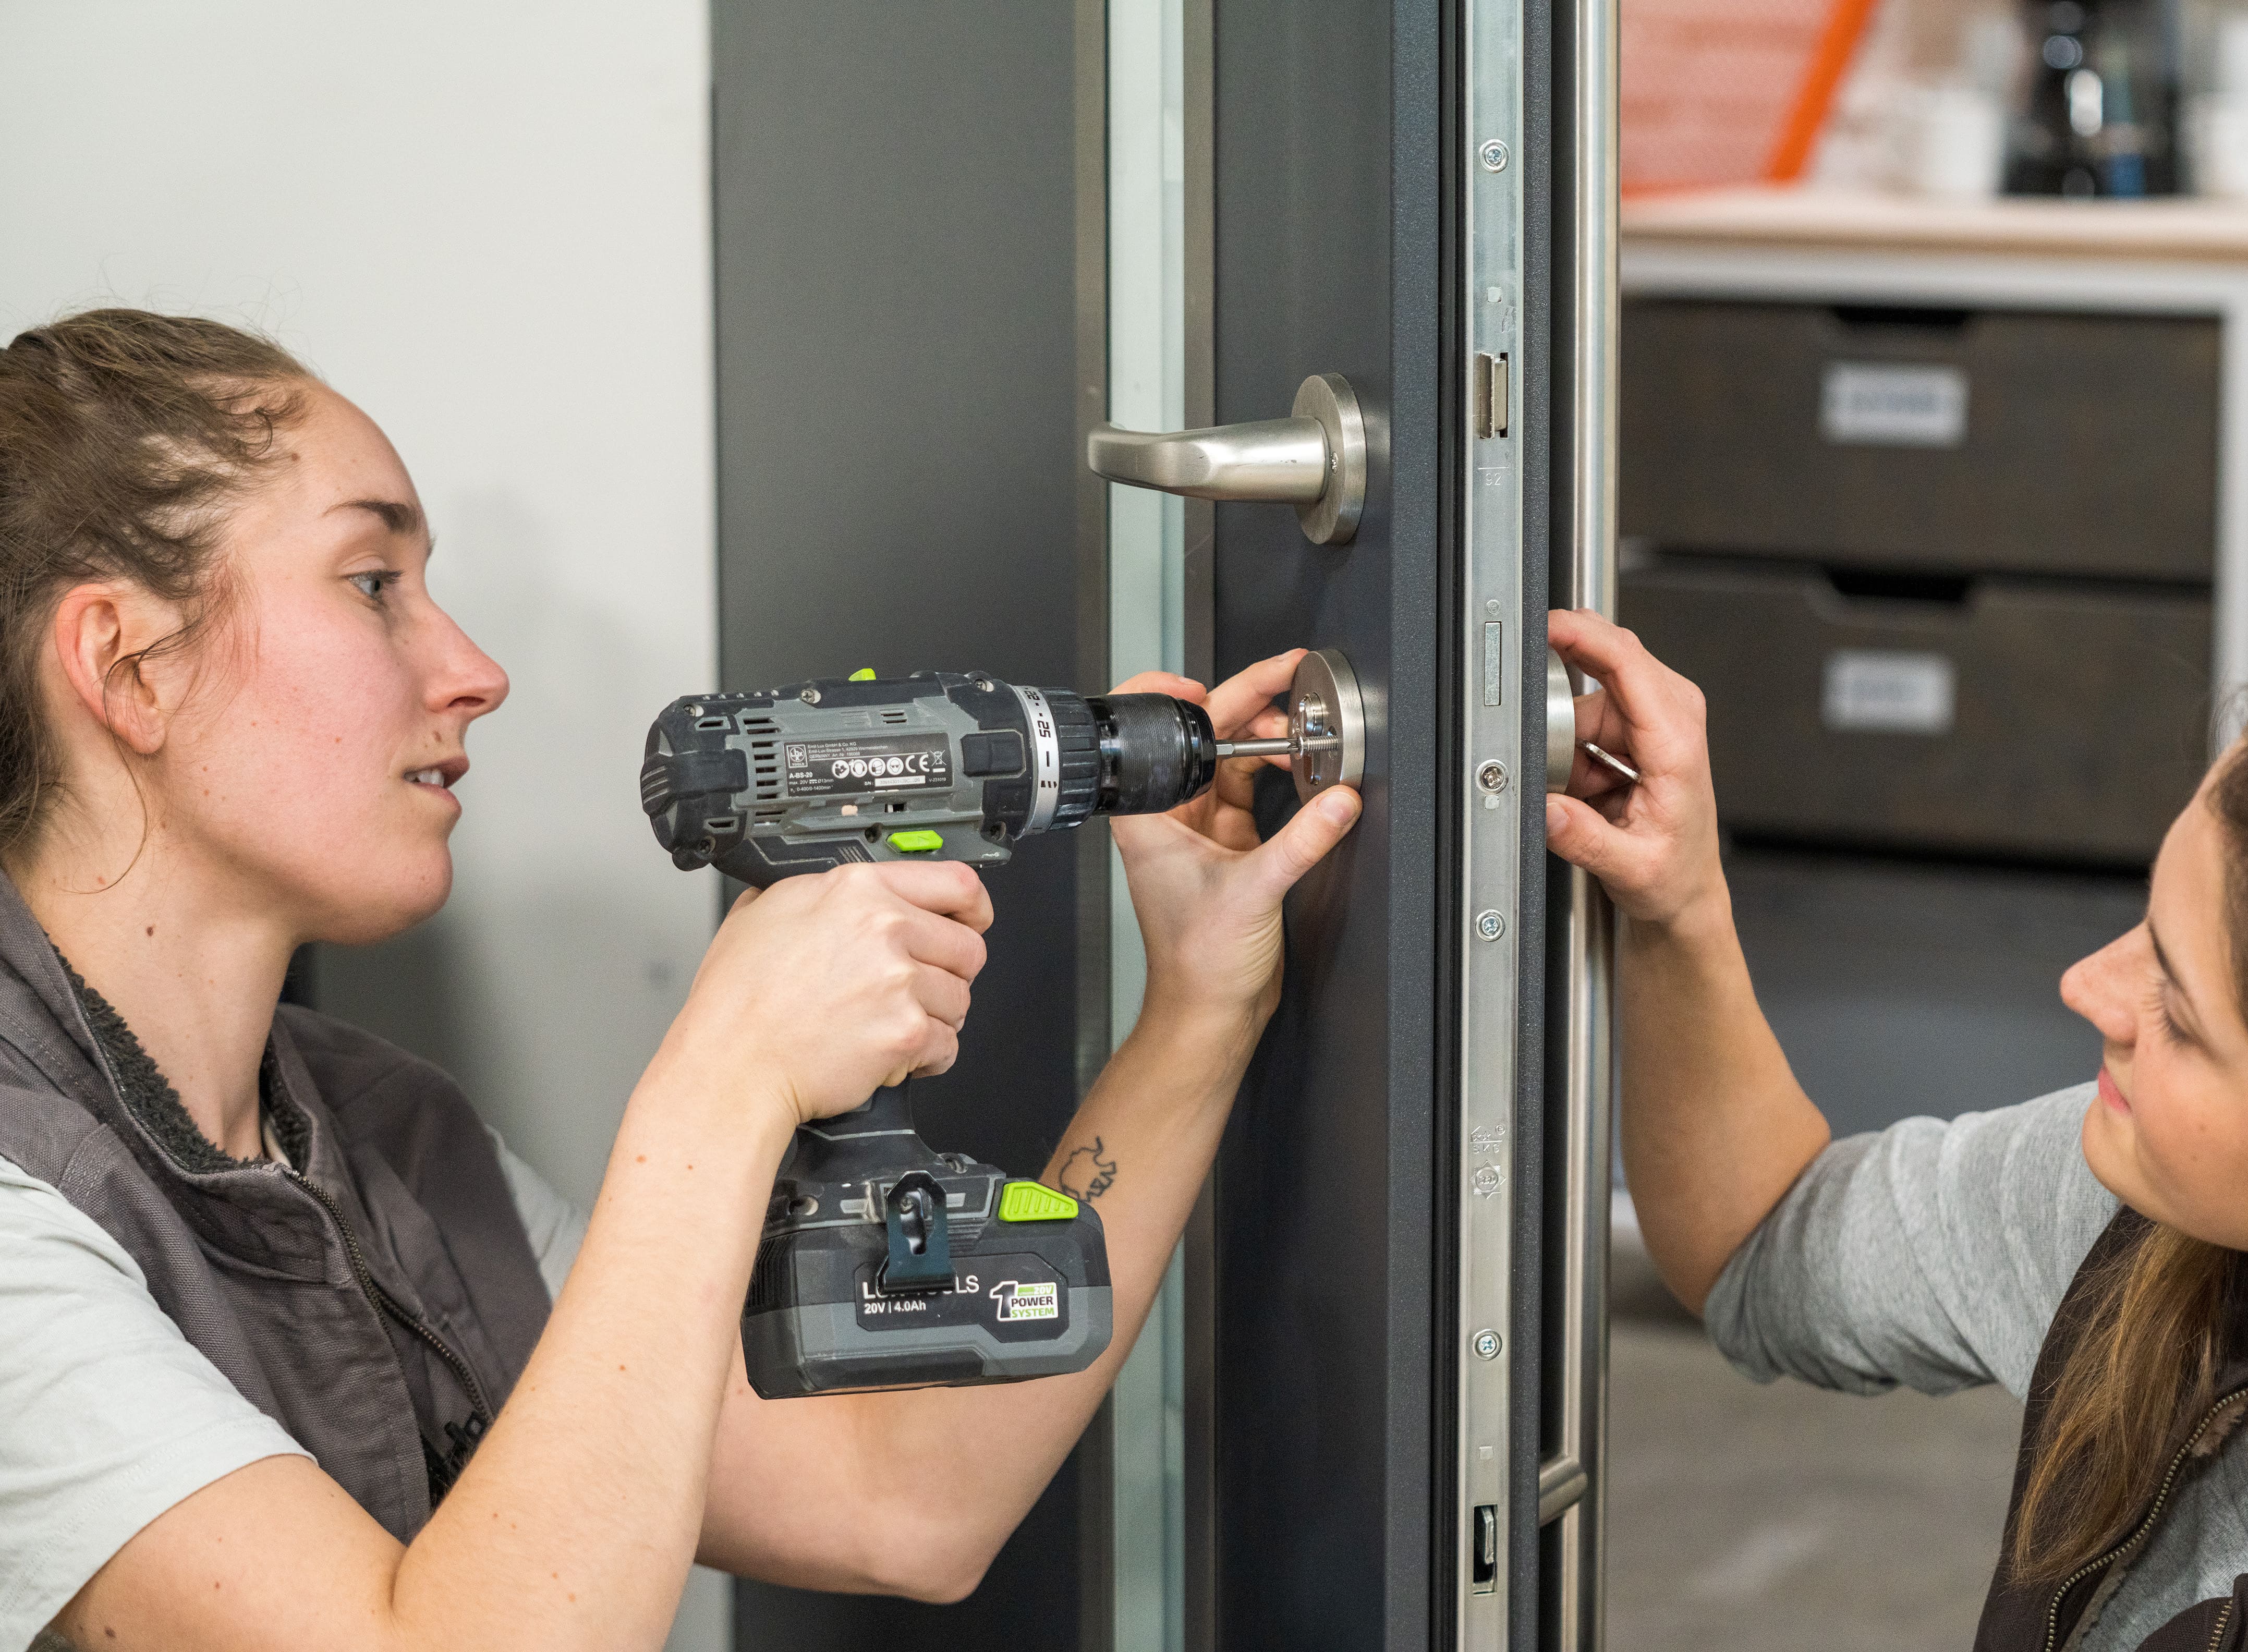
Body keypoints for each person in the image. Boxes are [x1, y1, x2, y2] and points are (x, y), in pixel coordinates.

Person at [0, 309, 1362, 1652]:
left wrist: (1199, 1002)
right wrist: (727, 1079)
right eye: (373, 583)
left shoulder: (385, 1142)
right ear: (127, 668)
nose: (475, 673)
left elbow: (905, 1503)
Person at [1545, 605, 2248, 1652]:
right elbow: (1764, 1241)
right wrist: (1679, 903)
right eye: (2148, 925)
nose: (2087, 985)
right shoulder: (2143, 1227)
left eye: (2178, 1010)